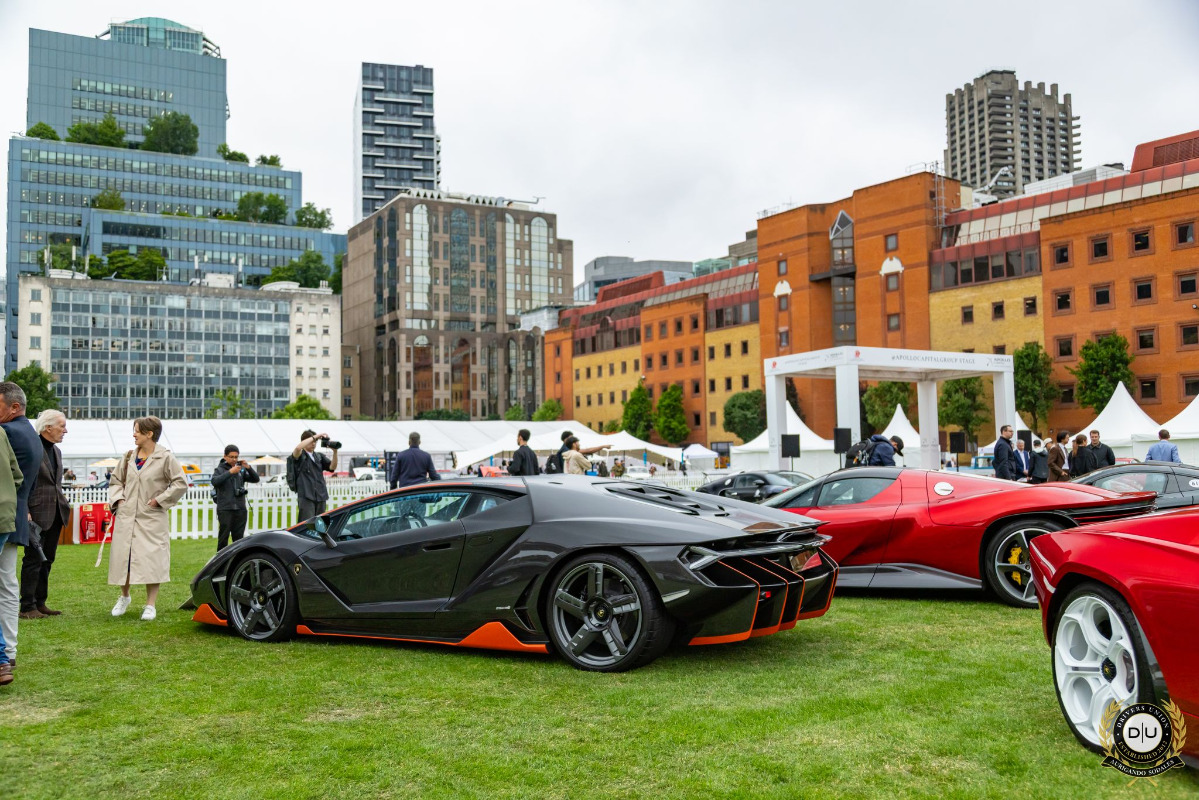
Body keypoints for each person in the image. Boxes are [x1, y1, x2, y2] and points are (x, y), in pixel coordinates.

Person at [108, 416, 188, 621]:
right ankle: (124, 597)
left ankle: (150, 605)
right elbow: (116, 481)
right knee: (124, 558)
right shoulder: (128, 457)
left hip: (151, 518)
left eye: (137, 430)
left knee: (152, 560)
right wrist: (119, 500)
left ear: (149, 434)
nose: (133, 434)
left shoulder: (166, 458)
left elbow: (180, 483)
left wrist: (159, 500)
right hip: (127, 516)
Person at [0, 382, 39, 666]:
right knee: (8, 584)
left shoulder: (8, 432)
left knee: (6, 586)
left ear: (14, 406)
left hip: (5, 515)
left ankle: (6, 652)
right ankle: (9, 650)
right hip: (17, 514)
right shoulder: (30, 433)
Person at [20, 410, 71, 618]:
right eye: (62, 426)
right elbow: (22, 481)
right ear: (48, 427)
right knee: (33, 560)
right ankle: (27, 607)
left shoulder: (56, 451)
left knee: (47, 559)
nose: (65, 431)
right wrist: (25, 510)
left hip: (56, 513)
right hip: (35, 514)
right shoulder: (31, 447)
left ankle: (40, 603)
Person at [0, 422, 21, 684]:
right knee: (6, 584)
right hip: (4, 515)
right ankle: (5, 657)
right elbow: (17, 475)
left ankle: (2, 659)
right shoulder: (2, 432)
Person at [211, 444, 259, 552]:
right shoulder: (219, 469)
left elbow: (256, 479)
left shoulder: (240, 470)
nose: (234, 459)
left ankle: (237, 561)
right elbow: (214, 481)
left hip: (240, 509)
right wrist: (230, 472)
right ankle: (221, 561)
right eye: (231, 457)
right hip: (225, 509)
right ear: (225, 456)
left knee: (239, 540)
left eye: (236, 457)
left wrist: (248, 467)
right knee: (223, 538)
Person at [289, 430, 338, 521]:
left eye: (315, 441)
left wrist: (335, 452)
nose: (314, 443)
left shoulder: (319, 456)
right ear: (304, 441)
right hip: (306, 496)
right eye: (312, 441)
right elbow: (298, 448)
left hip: (320, 495)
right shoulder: (300, 456)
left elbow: (332, 467)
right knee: (308, 524)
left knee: (321, 524)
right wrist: (316, 436)